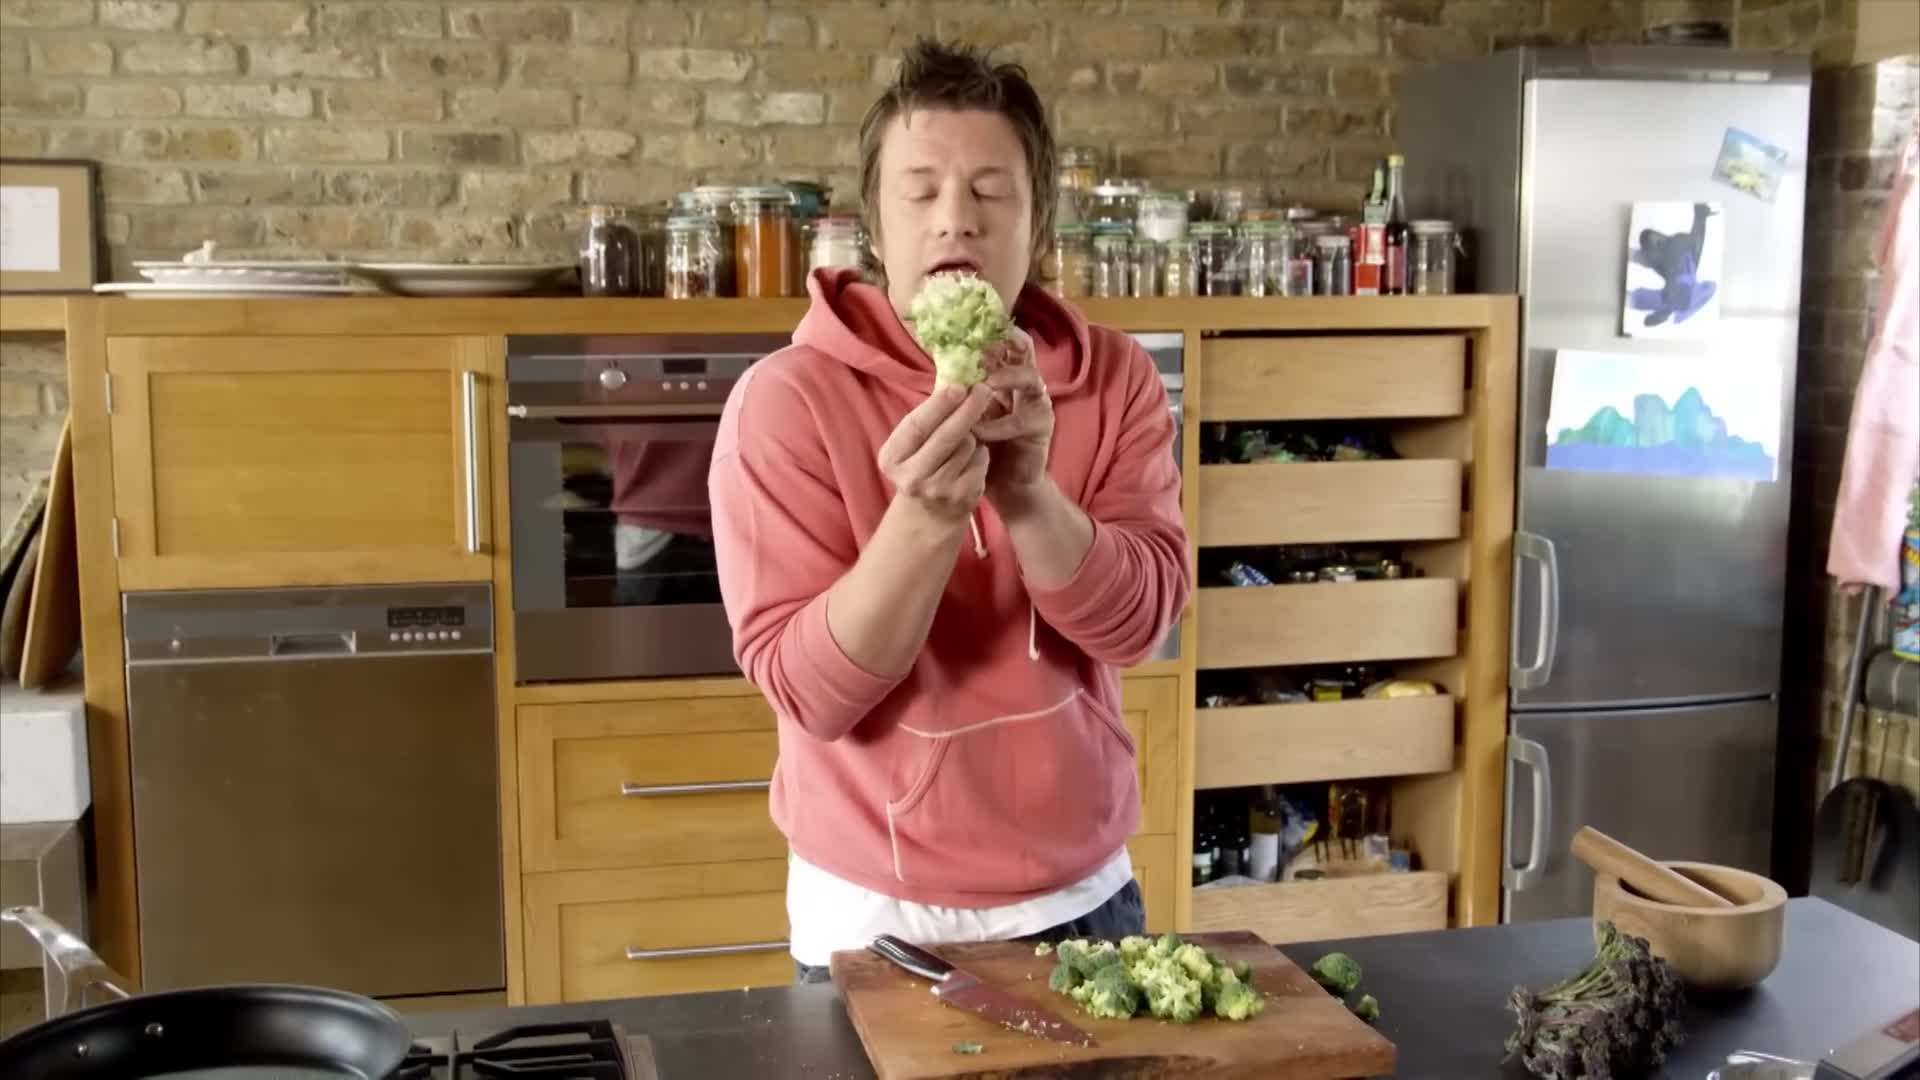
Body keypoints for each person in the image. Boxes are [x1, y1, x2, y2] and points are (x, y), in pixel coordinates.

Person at [707, 38, 1191, 984]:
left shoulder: (1118, 378)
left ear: (1038, 219)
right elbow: (812, 694)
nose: (954, 223)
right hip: (875, 916)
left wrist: (1027, 495)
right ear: (878, 229)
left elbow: (1139, 625)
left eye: (990, 192)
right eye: (920, 191)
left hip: (1085, 897)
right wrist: (924, 518)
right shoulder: (785, 401)